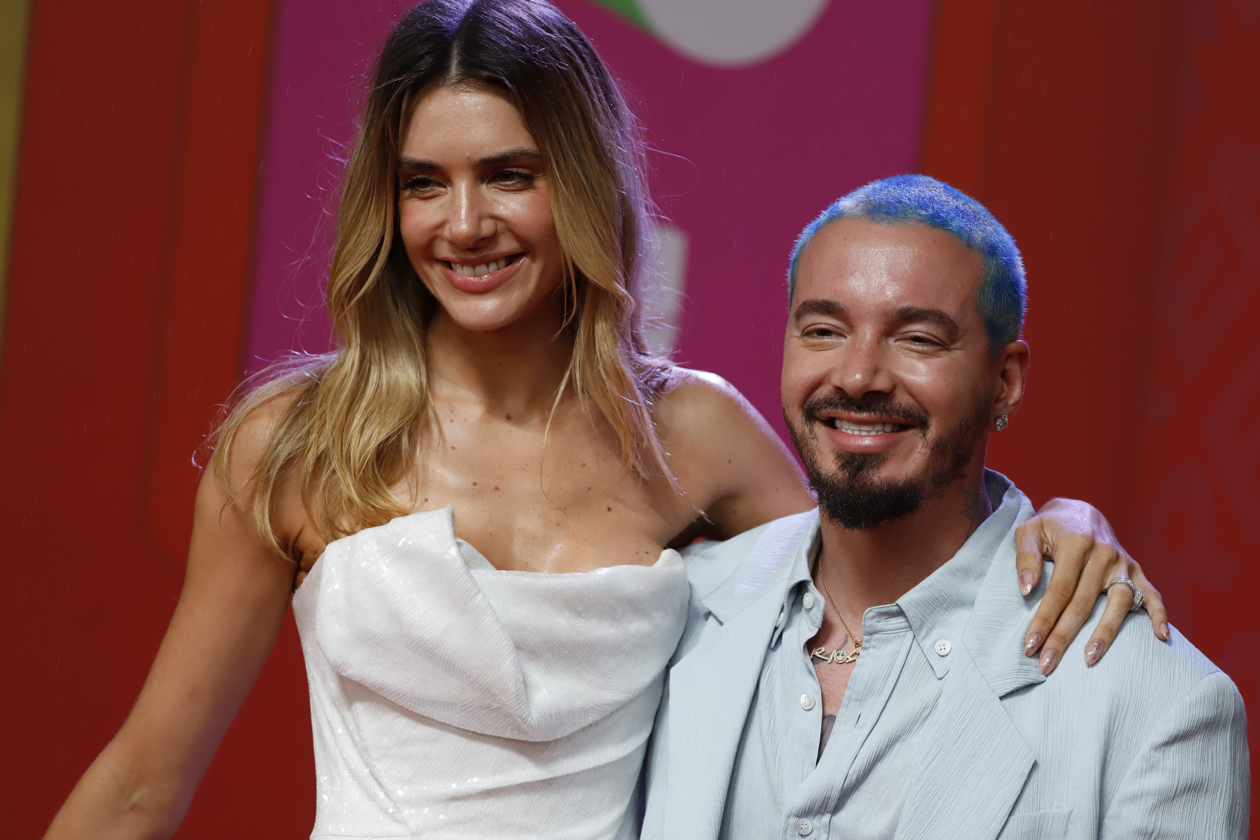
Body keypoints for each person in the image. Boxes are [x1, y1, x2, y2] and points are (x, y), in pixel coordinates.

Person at [45, 5, 1167, 840]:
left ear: (578, 185)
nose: (466, 222)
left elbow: (895, 595)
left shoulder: (691, 435)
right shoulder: (294, 443)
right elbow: (145, 781)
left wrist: (1062, 515)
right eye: (424, 182)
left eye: (510, 174)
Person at [641, 174, 1250, 839]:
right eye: (823, 331)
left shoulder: (1160, 703)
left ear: (1005, 382)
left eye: (918, 340)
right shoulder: (672, 611)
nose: (857, 375)